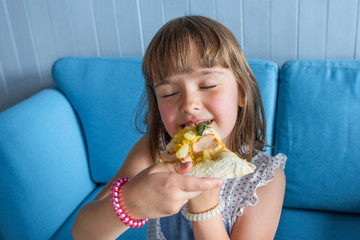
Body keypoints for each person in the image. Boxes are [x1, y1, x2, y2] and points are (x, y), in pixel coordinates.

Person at [72, 15, 286, 240]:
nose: (189, 104)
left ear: (241, 93)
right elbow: (83, 233)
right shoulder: (155, 148)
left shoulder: (263, 178)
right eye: (169, 93)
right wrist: (130, 203)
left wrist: (204, 208)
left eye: (207, 85)